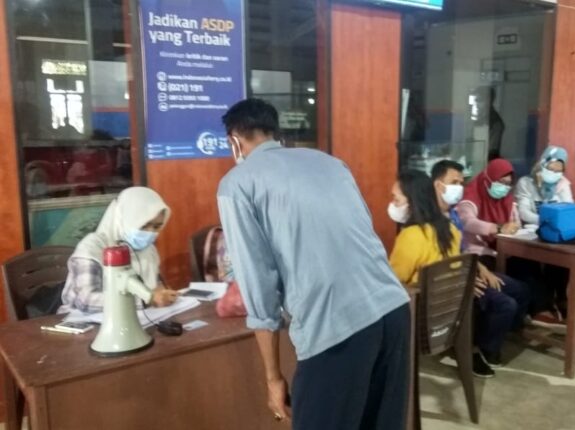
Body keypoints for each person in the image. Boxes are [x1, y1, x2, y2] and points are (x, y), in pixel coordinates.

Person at [217, 98, 410, 430]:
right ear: (274, 131)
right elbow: (363, 229)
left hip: (335, 328)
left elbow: (258, 284)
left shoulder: (237, 184)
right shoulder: (331, 163)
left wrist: (273, 377)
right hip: (394, 310)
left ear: (234, 141)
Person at [431, 161, 531, 377]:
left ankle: (492, 338)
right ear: (438, 185)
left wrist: (480, 269)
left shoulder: (451, 214)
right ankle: (478, 349)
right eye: (454, 182)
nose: (459, 188)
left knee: (521, 290)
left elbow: (462, 249)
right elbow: (438, 261)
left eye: (461, 182)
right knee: (505, 304)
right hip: (454, 276)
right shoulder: (432, 219)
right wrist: (465, 278)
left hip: (471, 265)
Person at [58, 187, 178, 314]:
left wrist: (164, 295)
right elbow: (86, 301)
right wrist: (146, 299)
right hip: (82, 320)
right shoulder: (92, 248)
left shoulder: (149, 251)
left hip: (137, 317)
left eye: (157, 226)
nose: (150, 233)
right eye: (143, 225)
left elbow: (156, 289)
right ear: (123, 219)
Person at [515, 145, 574, 226]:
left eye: (558, 171)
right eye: (551, 169)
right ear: (542, 164)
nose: (554, 173)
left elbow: (569, 209)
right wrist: (544, 221)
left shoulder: (563, 184)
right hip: (532, 228)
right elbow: (523, 212)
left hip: (557, 227)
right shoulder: (526, 183)